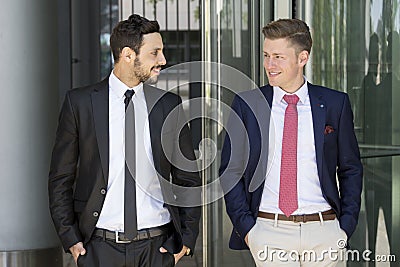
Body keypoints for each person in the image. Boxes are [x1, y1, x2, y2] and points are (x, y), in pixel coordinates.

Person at [48, 14, 200, 267]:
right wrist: (70, 237)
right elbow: (60, 178)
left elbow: (188, 179)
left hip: (157, 248)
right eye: (155, 53)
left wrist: (185, 239)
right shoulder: (81, 104)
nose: (163, 60)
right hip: (98, 249)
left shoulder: (168, 105)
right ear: (128, 54)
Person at [220, 19, 363, 266]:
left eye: (278, 57)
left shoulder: (334, 104)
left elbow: (350, 168)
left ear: (302, 58)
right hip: (268, 232)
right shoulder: (248, 105)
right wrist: (248, 230)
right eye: (266, 55)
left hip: (325, 231)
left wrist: (344, 228)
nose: (269, 65)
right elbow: (230, 170)